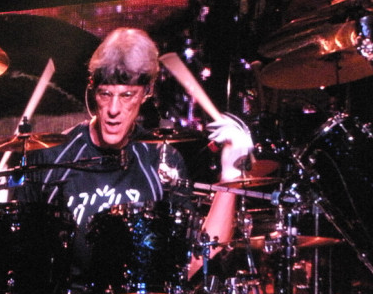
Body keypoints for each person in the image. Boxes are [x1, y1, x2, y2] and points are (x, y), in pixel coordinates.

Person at [15, 27, 252, 279]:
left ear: (146, 93)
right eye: (105, 94)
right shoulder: (53, 156)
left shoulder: (161, 159)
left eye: (127, 95)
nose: (113, 109)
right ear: (92, 90)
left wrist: (230, 174)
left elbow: (195, 259)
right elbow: (22, 253)